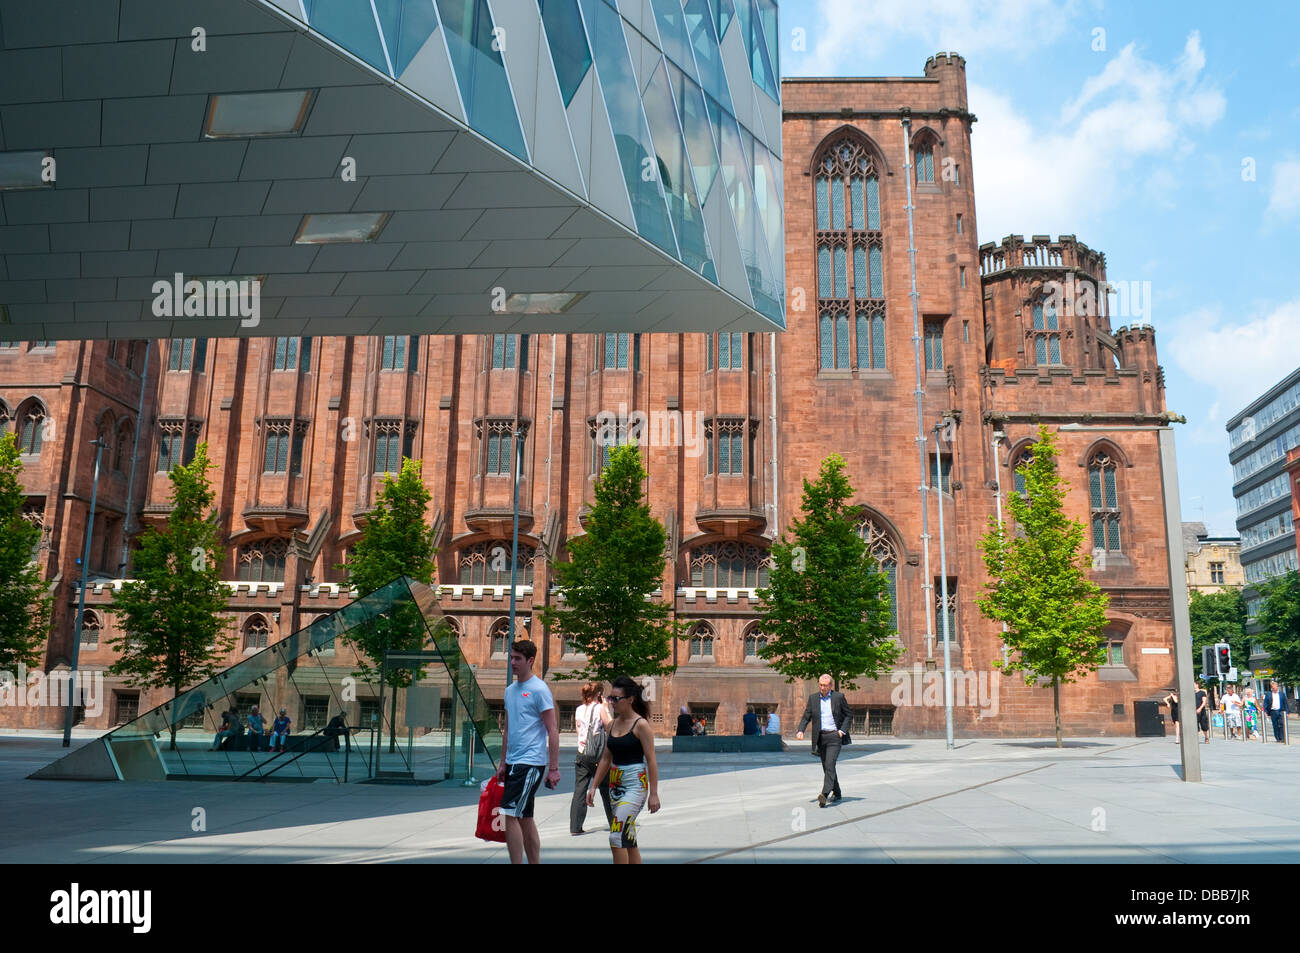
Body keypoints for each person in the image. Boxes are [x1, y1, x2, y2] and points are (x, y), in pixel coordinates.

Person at [495, 640, 560, 864]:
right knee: (524, 817)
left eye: (517, 659)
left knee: (509, 813)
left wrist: (553, 768)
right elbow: (508, 729)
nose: (512, 662)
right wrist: (503, 763)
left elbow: (552, 729)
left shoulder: (539, 689)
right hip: (514, 762)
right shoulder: (509, 691)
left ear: (530, 661)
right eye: (511, 657)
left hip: (531, 762)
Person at [587, 675, 660, 864]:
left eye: (616, 698)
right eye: (610, 698)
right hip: (615, 786)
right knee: (628, 838)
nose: (612, 702)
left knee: (616, 837)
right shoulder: (611, 725)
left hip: (635, 784)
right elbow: (605, 758)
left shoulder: (641, 725)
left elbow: (651, 761)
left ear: (630, 700)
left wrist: (654, 794)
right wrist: (593, 786)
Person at [795, 674, 852, 807]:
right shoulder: (813, 698)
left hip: (834, 737)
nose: (822, 687)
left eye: (825, 685)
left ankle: (824, 794)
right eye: (820, 685)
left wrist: (841, 731)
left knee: (830, 765)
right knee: (827, 767)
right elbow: (806, 716)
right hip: (821, 738)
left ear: (831, 686)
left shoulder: (838, 697)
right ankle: (837, 792)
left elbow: (848, 715)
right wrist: (800, 730)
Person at [571, 682, 613, 836]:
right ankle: (614, 822)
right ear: (599, 694)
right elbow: (610, 726)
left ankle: (575, 827)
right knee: (606, 788)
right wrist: (607, 708)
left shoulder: (579, 709)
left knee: (579, 789)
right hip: (598, 755)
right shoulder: (601, 709)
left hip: (582, 752)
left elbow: (578, 730)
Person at [1194, 679, 1210, 744]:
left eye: (1194, 684)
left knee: (1204, 725)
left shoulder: (1202, 693)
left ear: (1197, 685)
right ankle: (1195, 739)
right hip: (1194, 711)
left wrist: (1200, 708)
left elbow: (1204, 702)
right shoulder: (1191, 693)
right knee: (1195, 725)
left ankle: (1206, 737)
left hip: (1201, 711)